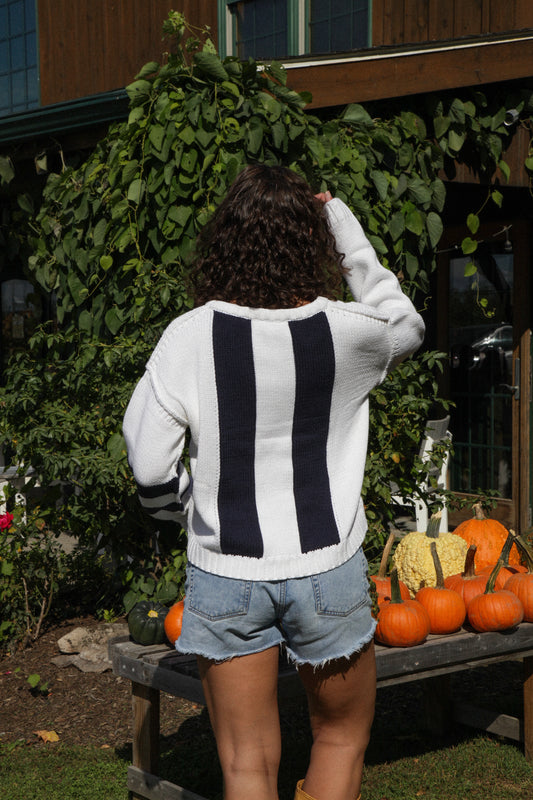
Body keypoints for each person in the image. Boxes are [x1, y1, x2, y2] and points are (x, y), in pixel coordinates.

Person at [123, 165, 425, 800]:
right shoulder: (350, 332)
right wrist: (340, 221)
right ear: (311, 245)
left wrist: (191, 510)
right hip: (328, 569)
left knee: (246, 766)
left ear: (225, 241)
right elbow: (406, 322)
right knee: (340, 738)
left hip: (226, 573)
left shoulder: (190, 336)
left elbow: (149, 466)